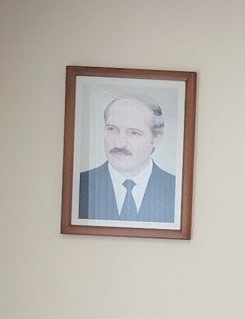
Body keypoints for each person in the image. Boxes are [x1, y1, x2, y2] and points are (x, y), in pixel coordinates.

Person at [76, 94, 177, 223]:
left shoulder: (176, 189)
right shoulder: (79, 185)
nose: (119, 143)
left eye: (134, 133)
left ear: (156, 139)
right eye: (112, 129)